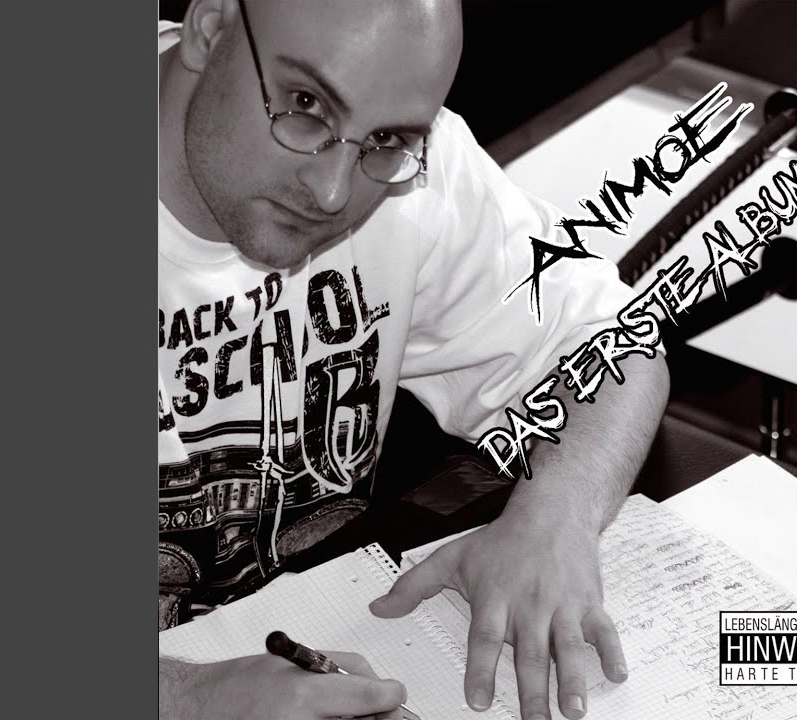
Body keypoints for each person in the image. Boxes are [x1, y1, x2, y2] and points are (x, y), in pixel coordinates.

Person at [157, 1, 670, 718]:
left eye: (387, 139)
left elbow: (611, 342)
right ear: (209, 28)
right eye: (304, 106)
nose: (333, 192)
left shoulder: (416, 172)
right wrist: (189, 699)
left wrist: (557, 515)